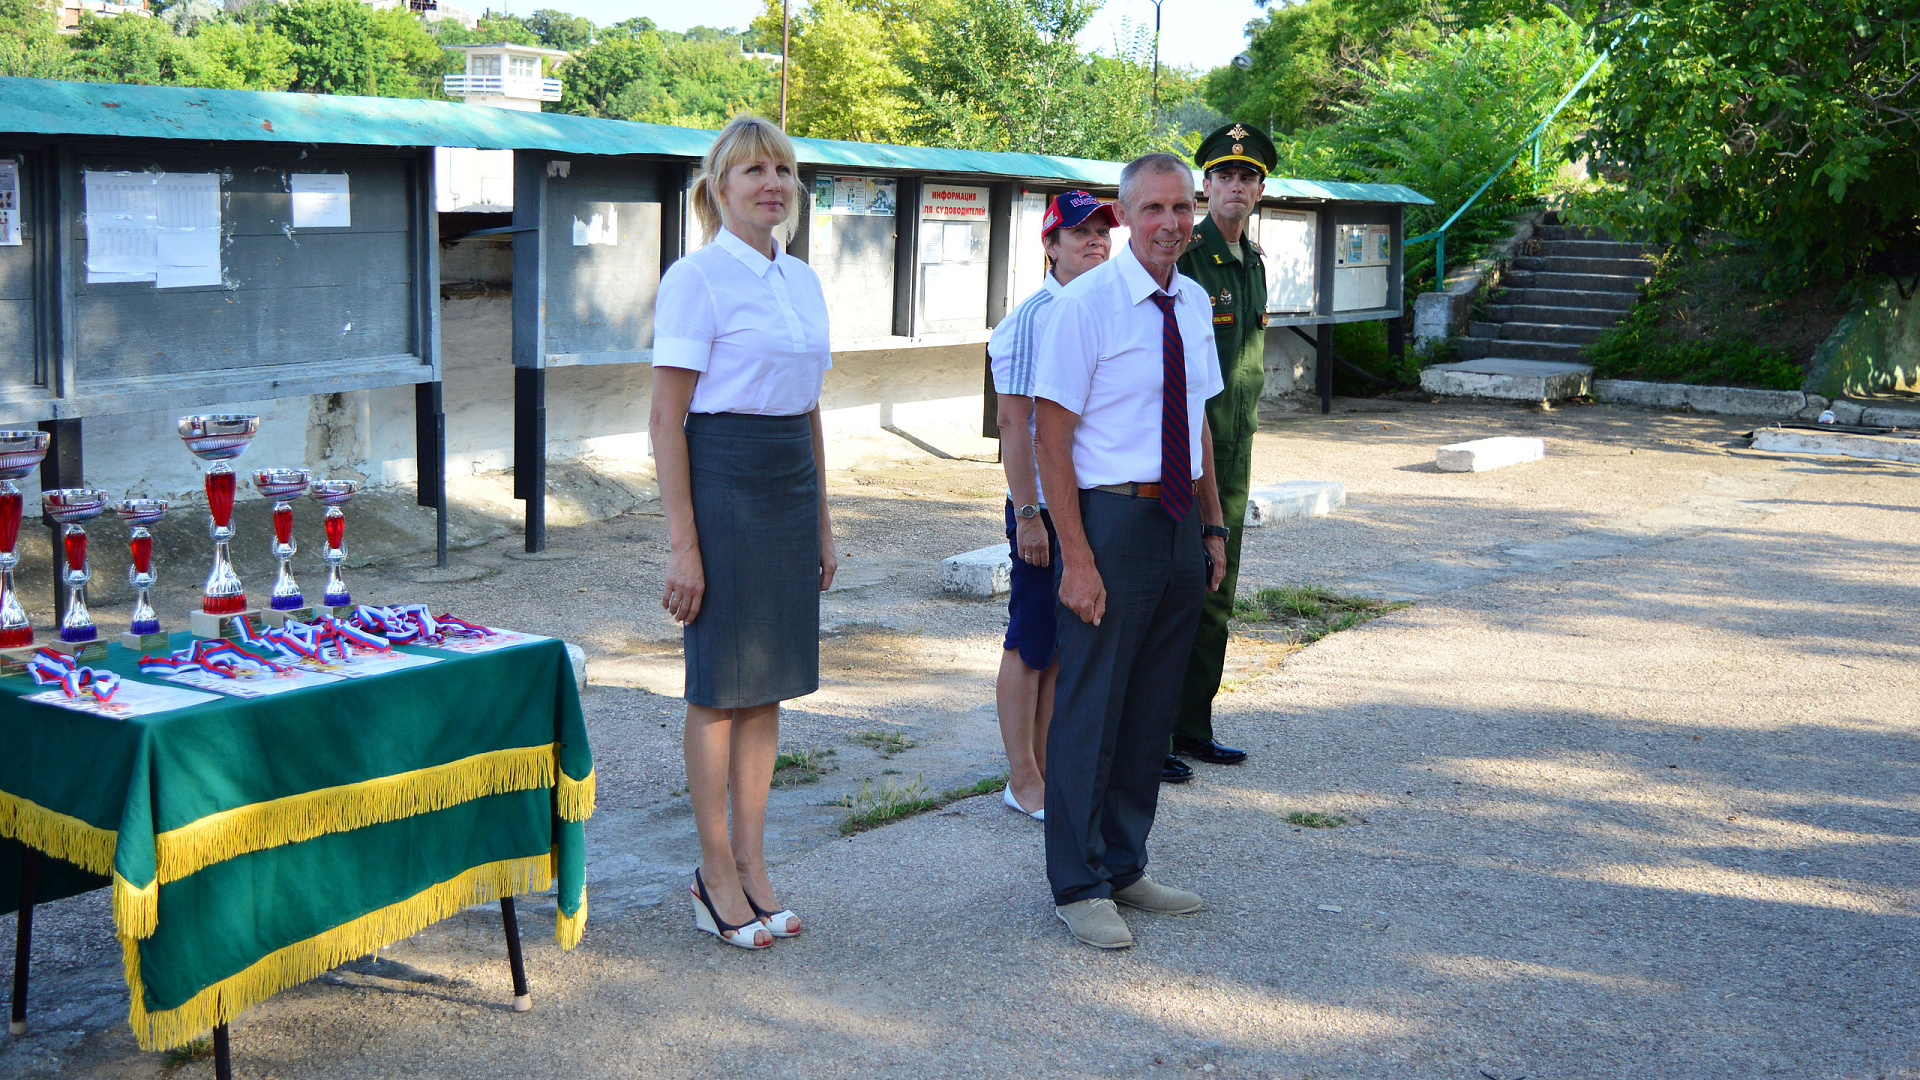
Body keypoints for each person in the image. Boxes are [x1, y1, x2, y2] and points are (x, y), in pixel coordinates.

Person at [1031, 153, 1231, 950]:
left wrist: (1211, 528)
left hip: (1176, 522)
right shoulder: (1085, 306)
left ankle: (1124, 863)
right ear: (1126, 215)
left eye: (1182, 206)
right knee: (1090, 706)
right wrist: (1076, 558)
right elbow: (1050, 439)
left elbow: (1201, 426)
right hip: (1108, 523)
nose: (1172, 223)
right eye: (1153, 208)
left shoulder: (1191, 301)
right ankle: (1077, 884)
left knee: (1150, 708)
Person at [649, 114, 836, 951]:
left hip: (790, 481)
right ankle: (713, 871)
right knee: (718, 687)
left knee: (766, 686)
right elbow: (665, 419)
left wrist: (824, 518)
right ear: (718, 188)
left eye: (784, 170)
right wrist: (685, 544)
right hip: (723, 479)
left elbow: (810, 406)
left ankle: (755, 863)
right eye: (754, 170)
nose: (772, 184)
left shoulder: (802, 279)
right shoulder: (696, 277)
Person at [988, 191, 1118, 821]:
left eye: (1101, 232)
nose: (1095, 242)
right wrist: (1029, 514)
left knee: (1064, 643)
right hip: (1042, 504)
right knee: (1030, 639)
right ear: (1049, 246)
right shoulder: (1032, 319)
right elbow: (1016, 426)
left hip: (1090, 498)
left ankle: (1044, 766)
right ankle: (1021, 778)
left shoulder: (1105, 307)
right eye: (1079, 234)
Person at [1169, 121, 1280, 775]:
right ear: (1206, 186)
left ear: (1261, 189)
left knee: (1217, 590)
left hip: (1233, 454)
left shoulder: (1253, 265)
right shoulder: (1187, 256)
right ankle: (1149, 738)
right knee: (1175, 592)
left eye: (1248, 177)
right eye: (1223, 176)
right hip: (1181, 450)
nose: (1235, 186)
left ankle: (1192, 726)